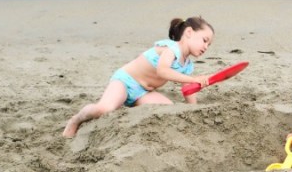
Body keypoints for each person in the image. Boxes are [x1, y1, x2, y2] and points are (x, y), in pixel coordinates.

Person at [63, 16, 215, 138]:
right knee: (104, 109)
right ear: (189, 32)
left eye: (209, 44)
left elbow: (187, 88)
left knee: (168, 111)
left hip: (143, 92)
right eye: (204, 40)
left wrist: (194, 109)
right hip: (125, 82)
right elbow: (163, 71)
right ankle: (76, 120)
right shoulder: (170, 48)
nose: (206, 47)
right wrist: (194, 79)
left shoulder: (187, 64)